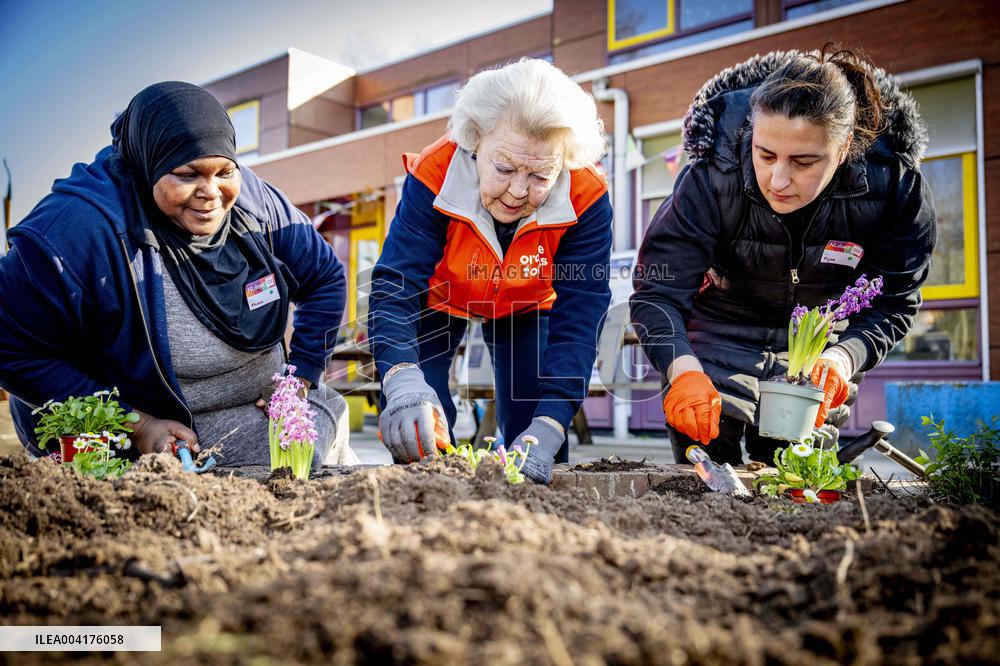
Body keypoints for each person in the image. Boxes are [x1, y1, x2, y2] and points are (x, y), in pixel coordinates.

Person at [0, 82, 355, 466]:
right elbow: (9, 346)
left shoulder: (254, 201)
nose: (211, 192)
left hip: (239, 408)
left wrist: (299, 379)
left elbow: (325, 279)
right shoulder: (77, 229)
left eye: (224, 171)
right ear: (148, 163)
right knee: (297, 448)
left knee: (321, 414)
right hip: (136, 428)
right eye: (187, 175)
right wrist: (136, 426)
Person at [630, 46, 936, 465]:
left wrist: (844, 357)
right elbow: (657, 292)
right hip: (719, 332)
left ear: (844, 146)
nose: (778, 180)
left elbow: (896, 299)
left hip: (815, 348)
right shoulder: (711, 173)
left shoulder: (894, 186)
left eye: (804, 161)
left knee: (791, 475)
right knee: (702, 469)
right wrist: (681, 369)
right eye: (765, 154)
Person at [368, 58, 612, 483]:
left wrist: (552, 421)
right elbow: (396, 284)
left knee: (532, 420)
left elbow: (582, 314)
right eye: (503, 168)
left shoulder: (586, 195)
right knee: (422, 422)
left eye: (540, 175)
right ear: (475, 141)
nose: (519, 191)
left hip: (526, 301)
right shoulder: (435, 173)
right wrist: (401, 377)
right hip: (437, 296)